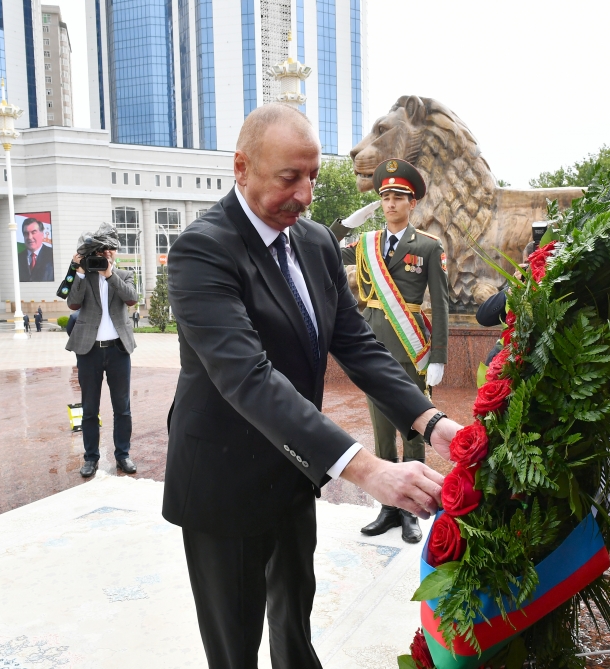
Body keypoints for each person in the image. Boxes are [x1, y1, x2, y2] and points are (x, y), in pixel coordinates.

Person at [164, 104, 461, 669]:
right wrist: (370, 470)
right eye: (288, 178)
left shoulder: (315, 242)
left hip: (294, 469)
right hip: (223, 483)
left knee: (294, 623)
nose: (304, 196)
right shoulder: (203, 250)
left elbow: (358, 345)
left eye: (313, 178)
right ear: (241, 167)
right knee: (236, 646)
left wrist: (433, 423)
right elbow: (247, 379)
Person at [328, 158, 449, 543]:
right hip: (373, 346)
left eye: (399, 197)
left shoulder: (428, 246)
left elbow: (441, 304)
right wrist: (346, 224)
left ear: (412, 203)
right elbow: (326, 247)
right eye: (385, 197)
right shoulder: (365, 244)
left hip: (413, 349)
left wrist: (440, 356)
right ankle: (388, 508)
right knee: (382, 432)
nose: (390, 204)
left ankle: (412, 510)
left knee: (413, 431)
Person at [65, 225, 138, 477]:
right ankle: (91, 458)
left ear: (115, 252)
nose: (106, 254)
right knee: (89, 409)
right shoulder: (86, 276)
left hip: (118, 350)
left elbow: (131, 298)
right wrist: (81, 272)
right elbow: (72, 302)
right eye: (101, 250)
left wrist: (109, 275)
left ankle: (123, 455)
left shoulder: (124, 275)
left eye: (110, 250)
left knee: (122, 407)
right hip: (89, 351)